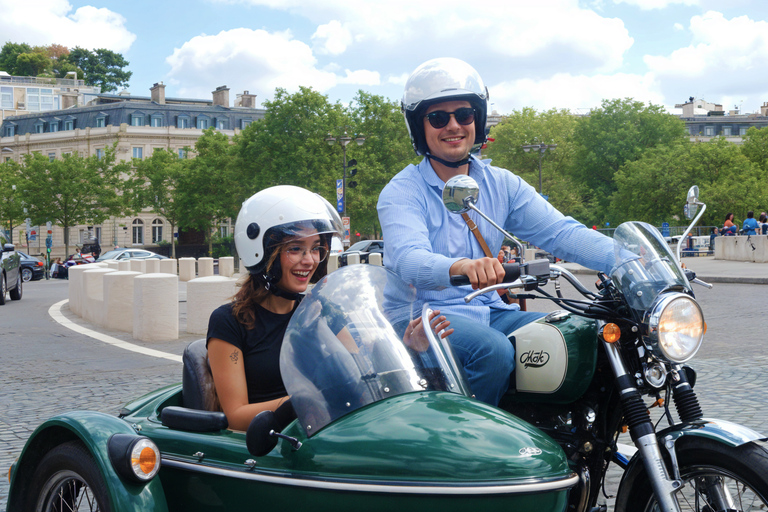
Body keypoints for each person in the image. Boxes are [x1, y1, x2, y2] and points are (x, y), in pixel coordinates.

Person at [377, 57, 617, 406]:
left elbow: (560, 232)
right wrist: (461, 266)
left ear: (479, 119)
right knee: (492, 352)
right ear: (419, 126)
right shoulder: (402, 191)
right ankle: (465, 450)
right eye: (438, 118)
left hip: (490, 311)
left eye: (464, 114)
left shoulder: (500, 183)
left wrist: (633, 259)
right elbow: (408, 258)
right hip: (421, 317)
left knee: (582, 338)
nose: (454, 126)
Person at [206, 185, 342, 431]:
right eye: (295, 248)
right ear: (262, 253)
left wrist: (410, 346)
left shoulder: (321, 310)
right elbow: (236, 415)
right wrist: (302, 402)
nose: (309, 260)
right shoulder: (229, 321)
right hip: (272, 448)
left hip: (331, 430)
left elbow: (360, 367)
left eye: (316, 248)